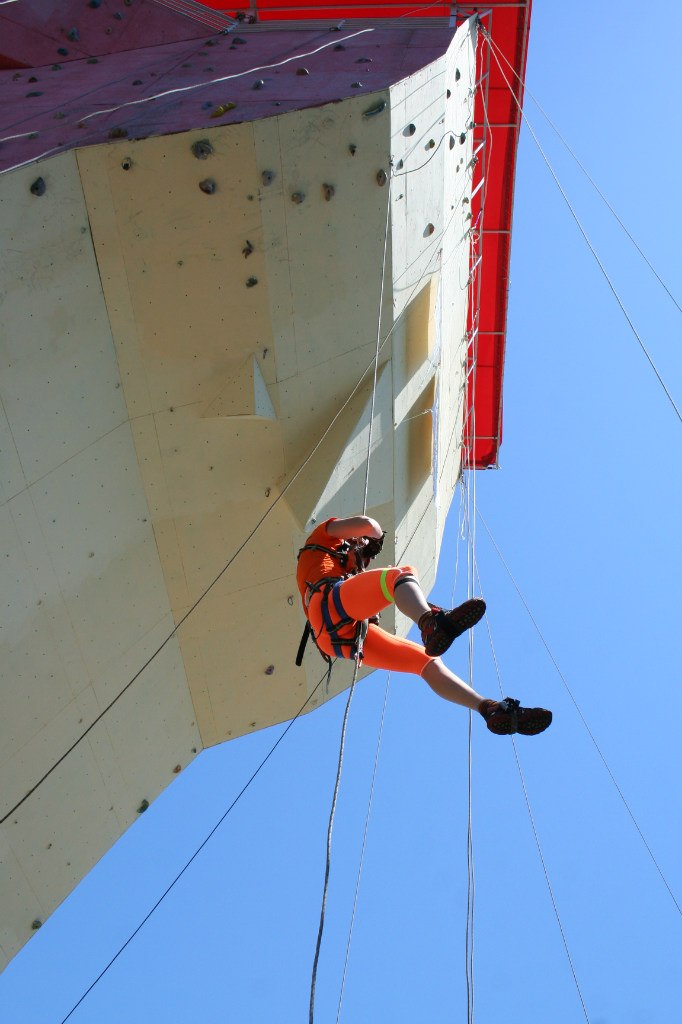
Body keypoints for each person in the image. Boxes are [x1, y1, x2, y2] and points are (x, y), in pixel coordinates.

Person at [296, 514, 552, 736]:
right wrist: (374, 539)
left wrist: (363, 556)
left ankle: (489, 708)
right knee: (400, 575)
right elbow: (367, 524)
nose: (361, 547)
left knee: (426, 662)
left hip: (340, 635)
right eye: (358, 542)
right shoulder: (323, 537)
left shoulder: (343, 571)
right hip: (330, 608)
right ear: (347, 541)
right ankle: (429, 623)